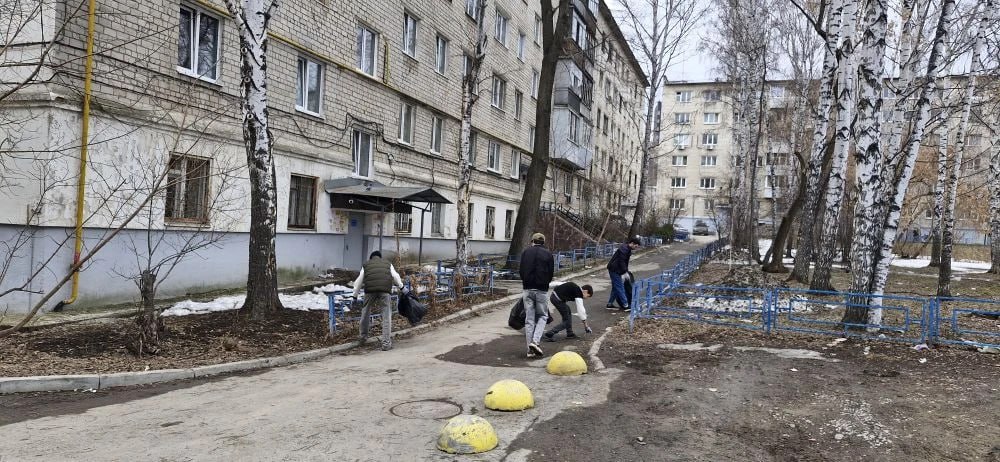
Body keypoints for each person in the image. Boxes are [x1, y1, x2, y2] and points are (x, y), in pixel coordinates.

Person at [352, 251, 404, 351]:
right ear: (380, 257)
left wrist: (355, 295)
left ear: (371, 258)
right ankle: (386, 344)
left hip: (370, 291)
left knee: (365, 312)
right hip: (385, 291)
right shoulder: (388, 263)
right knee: (386, 316)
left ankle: (362, 338)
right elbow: (395, 276)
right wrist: (401, 287)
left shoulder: (366, 264)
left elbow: (359, 281)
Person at [519, 232, 554, 358]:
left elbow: (521, 270)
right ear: (543, 242)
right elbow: (551, 273)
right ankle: (535, 342)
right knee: (543, 316)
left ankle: (529, 350)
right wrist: (545, 283)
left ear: (532, 241)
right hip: (541, 289)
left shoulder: (526, 252)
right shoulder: (548, 254)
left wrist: (525, 282)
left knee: (529, 319)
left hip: (527, 289)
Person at [607, 237, 641, 310]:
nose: (636, 248)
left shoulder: (627, 249)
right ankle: (626, 305)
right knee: (620, 287)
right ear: (632, 243)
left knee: (615, 287)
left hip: (616, 269)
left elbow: (624, 262)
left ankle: (609, 304)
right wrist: (625, 272)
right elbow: (621, 262)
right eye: (635, 246)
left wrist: (625, 271)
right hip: (614, 270)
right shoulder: (624, 249)